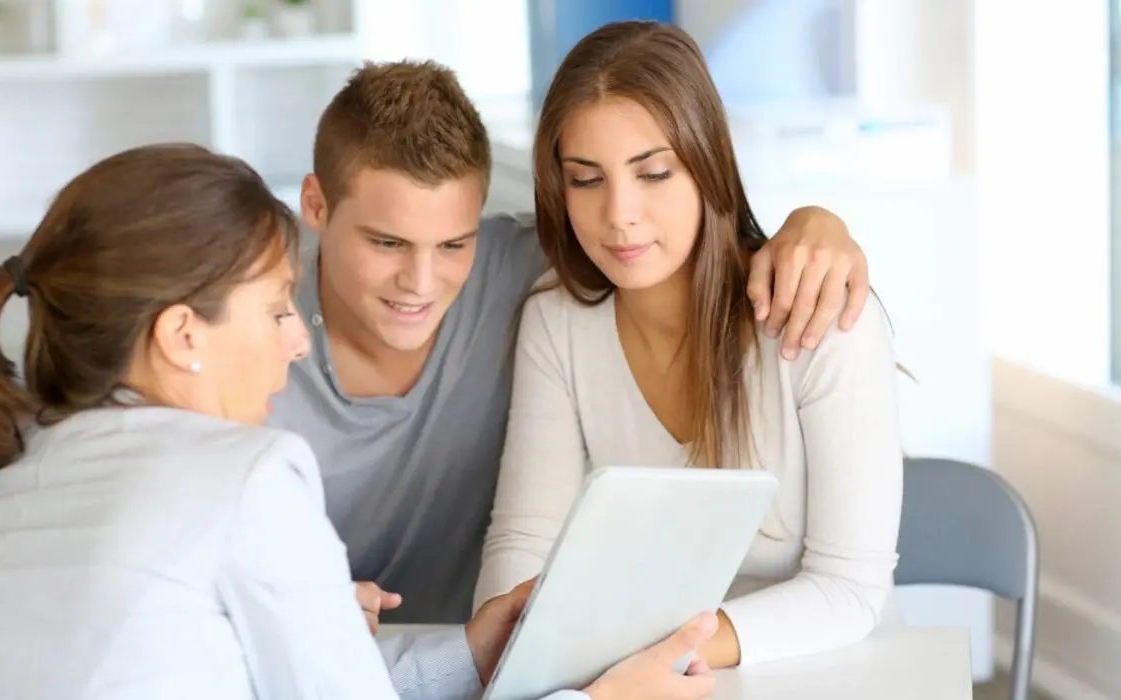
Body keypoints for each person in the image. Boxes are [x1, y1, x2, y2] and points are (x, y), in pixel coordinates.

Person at [0, 144, 719, 700]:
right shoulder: (242, 475)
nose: (297, 343)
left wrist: (466, 655)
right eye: (278, 309)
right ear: (182, 335)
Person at [272, 58, 875, 628]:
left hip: (468, 660)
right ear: (316, 206)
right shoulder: (241, 320)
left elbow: (660, 236)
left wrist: (816, 222)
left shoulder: (535, 270)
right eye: (386, 243)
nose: (422, 283)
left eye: (454, 243)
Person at [472, 20, 904, 670]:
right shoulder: (556, 322)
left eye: (653, 173)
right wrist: (511, 656)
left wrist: (665, 655)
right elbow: (525, 541)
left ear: (708, 166)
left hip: (815, 669)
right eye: (586, 180)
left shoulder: (822, 320)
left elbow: (850, 589)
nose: (619, 214)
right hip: (630, 674)